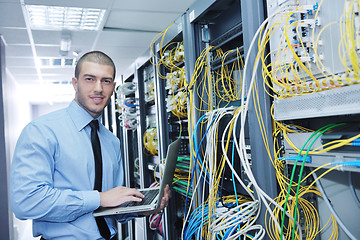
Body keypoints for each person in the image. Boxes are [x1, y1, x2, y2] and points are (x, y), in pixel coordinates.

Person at [10, 51, 171, 239]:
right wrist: (99, 198)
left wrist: (142, 209)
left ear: (113, 87)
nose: (98, 88)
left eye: (106, 81)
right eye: (89, 79)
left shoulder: (111, 141)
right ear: (75, 83)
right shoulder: (42, 131)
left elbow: (110, 205)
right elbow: (26, 202)